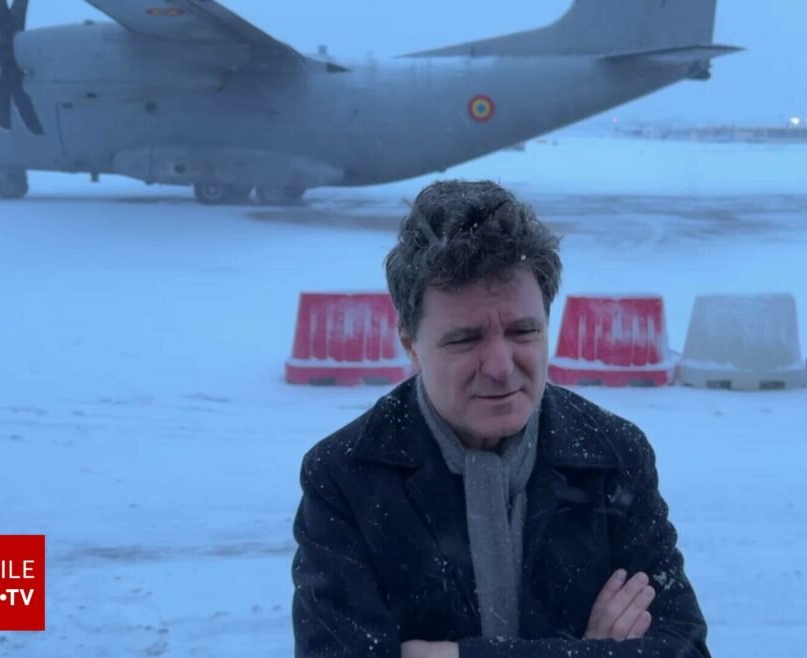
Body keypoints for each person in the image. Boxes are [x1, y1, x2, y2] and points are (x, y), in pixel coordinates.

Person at [291, 180, 710, 658]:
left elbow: (686, 650)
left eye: (523, 332)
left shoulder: (613, 456)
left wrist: (454, 655)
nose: (500, 366)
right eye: (464, 339)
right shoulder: (346, 476)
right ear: (410, 344)